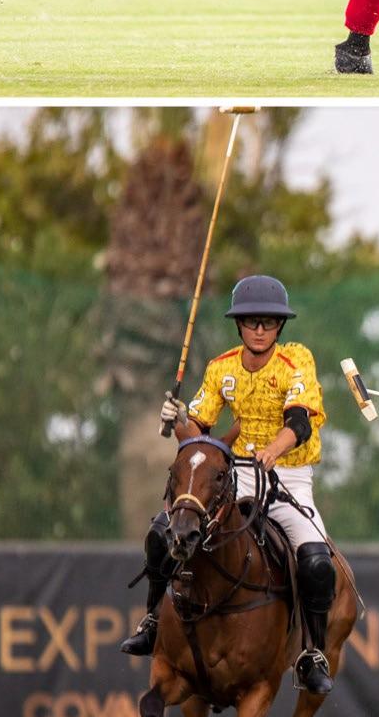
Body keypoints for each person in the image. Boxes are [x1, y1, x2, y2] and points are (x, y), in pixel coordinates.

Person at [121, 274, 338, 695]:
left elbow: (299, 422)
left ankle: (312, 652)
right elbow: (198, 433)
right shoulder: (221, 367)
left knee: (316, 562)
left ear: (280, 326)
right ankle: (152, 621)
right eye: (251, 321)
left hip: (288, 476)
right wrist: (176, 420)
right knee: (162, 532)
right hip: (232, 475)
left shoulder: (296, 361)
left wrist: (273, 450)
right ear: (239, 325)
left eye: (268, 322)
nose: (259, 329)